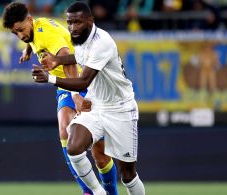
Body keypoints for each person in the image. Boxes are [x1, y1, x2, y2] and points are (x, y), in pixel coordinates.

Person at [2, 2, 118, 195]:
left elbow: (68, 59)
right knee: (65, 131)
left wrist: (76, 95)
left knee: (100, 155)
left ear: (29, 20)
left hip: (85, 81)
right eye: (15, 33)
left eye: (21, 30)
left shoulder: (47, 33)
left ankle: (109, 192)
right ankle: (89, 191)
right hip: (64, 85)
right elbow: (33, 38)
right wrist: (28, 49)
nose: (20, 36)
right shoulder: (34, 28)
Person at [32, 2, 146, 195]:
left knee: (127, 174)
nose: (73, 27)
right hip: (96, 105)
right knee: (74, 146)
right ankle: (97, 193)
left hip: (121, 108)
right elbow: (79, 56)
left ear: (90, 21)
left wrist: (50, 78)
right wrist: (58, 60)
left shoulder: (102, 42)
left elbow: (83, 81)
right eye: (69, 22)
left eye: (77, 22)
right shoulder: (80, 38)